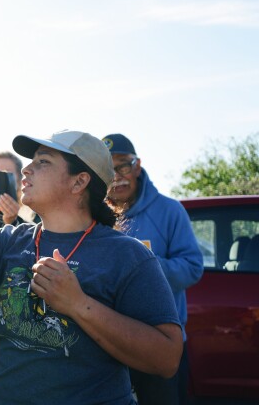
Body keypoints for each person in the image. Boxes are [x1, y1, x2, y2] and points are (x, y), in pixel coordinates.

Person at [0, 130, 183, 404]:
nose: (26, 169)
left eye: (43, 162)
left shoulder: (127, 255)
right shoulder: (9, 241)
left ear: (79, 181)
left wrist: (79, 305)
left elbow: (167, 358)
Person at [103, 133, 204, 405]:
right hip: (106, 344)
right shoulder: (93, 216)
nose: (117, 176)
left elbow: (192, 267)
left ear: (137, 165)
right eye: (108, 168)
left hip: (159, 344)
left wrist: (143, 266)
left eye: (123, 165)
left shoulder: (170, 211)